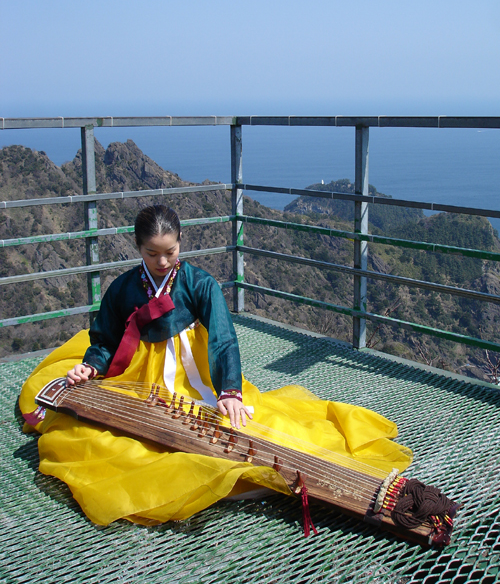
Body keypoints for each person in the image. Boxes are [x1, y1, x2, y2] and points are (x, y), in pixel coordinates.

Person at [19, 205, 413, 527]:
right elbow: (105, 338)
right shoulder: (123, 288)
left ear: (180, 245)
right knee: (112, 444)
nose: (161, 261)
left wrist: (229, 390)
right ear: (138, 247)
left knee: (233, 426)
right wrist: (92, 366)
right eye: (151, 253)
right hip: (139, 374)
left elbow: (223, 337)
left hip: (194, 372)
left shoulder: (199, 283)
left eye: (170, 252)